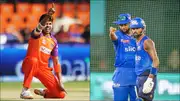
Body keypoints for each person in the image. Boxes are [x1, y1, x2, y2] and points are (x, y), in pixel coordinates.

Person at [20, 3, 66, 99]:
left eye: (50, 24)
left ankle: (44, 92)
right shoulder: (36, 34)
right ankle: (25, 91)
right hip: (30, 64)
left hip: (43, 69)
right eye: (46, 24)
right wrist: (49, 15)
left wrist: (60, 81)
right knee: (33, 60)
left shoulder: (54, 41)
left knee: (61, 94)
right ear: (42, 24)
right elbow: (39, 27)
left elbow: (56, 62)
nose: (48, 26)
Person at [130, 17, 159, 101]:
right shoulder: (135, 42)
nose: (134, 31)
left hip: (147, 76)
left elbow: (156, 60)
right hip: (139, 77)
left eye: (137, 28)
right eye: (133, 28)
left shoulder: (147, 42)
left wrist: (150, 79)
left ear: (142, 29)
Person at [109, 13, 137, 101]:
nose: (123, 27)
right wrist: (111, 33)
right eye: (121, 25)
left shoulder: (136, 36)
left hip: (136, 73)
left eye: (125, 24)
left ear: (130, 23)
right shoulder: (117, 34)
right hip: (122, 73)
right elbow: (113, 38)